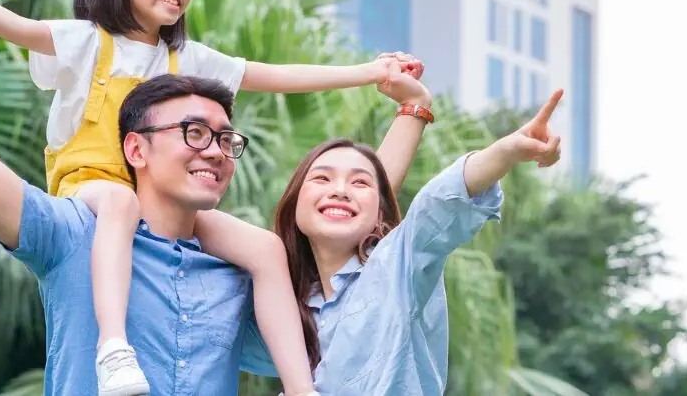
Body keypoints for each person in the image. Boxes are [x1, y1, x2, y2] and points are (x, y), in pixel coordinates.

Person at [0, 0, 421, 395]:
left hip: (141, 206)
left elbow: (350, 186)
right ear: (135, 146)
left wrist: (378, 80)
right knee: (118, 203)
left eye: (224, 137)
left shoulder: (235, 279)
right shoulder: (73, 234)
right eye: (192, 132)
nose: (213, 148)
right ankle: (114, 346)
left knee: (263, 245)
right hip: (91, 184)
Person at [237, 83, 565, 393]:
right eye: (322, 178)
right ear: (294, 202)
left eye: (360, 183)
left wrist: (507, 151)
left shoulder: (396, 267)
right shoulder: (285, 310)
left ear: (379, 214)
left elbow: (435, 205)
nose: (339, 191)